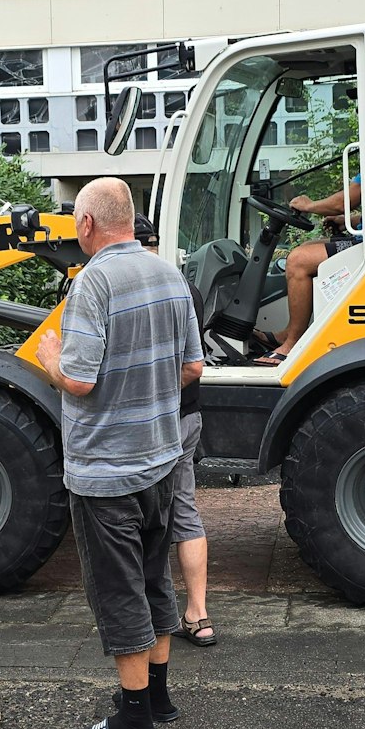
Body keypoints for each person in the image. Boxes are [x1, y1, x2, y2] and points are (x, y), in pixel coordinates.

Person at [36, 179, 204, 729]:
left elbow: (80, 379)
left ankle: (132, 724)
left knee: (119, 591)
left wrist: (51, 360)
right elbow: (191, 369)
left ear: (86, 225)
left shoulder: (93, 283)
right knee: (154, 578)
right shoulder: (168, 274)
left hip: (106, 473)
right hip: (161, 459)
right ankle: (157, 697)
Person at [134, 215, 215, 647]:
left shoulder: (126, 288)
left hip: (146, 421)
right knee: (184, 511)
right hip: (186, 416)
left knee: (137, 518)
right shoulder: (188, 289)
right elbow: (193, 361)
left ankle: (147, 618)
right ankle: (198, 615)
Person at [259, 180, 364, 366]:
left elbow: (342, 203)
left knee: (298, 261)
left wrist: (309, 205)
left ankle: (294, 343)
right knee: (306, 247)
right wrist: (353, 221)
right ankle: (290, 332)